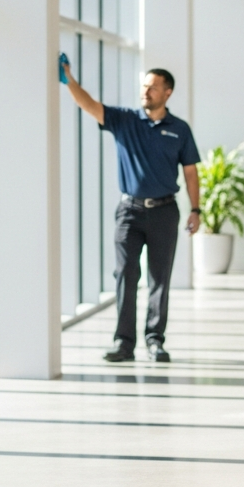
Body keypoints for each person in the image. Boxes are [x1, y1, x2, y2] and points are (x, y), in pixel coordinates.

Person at [60, 54, 201, 363]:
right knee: (126, 273)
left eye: (152, 87)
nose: (145, 92)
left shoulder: (180, 129)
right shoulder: (124, 120)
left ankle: (155, 340)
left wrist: (196, 209)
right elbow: (89, 104)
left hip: (165, 211)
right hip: (129, 212)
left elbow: (190, 171)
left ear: (167, 92)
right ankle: (124, 342)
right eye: (144, 86)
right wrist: (69, 79)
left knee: (159, 277)